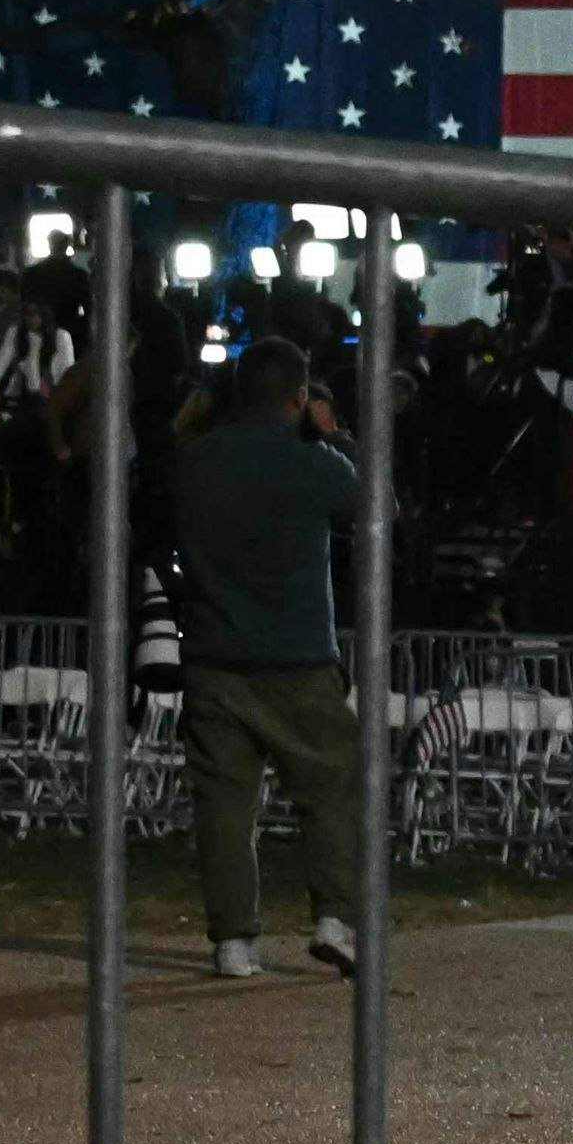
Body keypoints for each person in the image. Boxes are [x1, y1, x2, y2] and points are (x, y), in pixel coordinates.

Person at [169, 339, 366, 979]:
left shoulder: (194, 463)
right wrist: (338, 439)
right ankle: (335, 917)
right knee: (331, 789)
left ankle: (232, 941)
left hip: (213, 657)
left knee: (225, 805)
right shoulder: (316, 463)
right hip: (299, 657)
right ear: (300, 398)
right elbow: (377, 510)